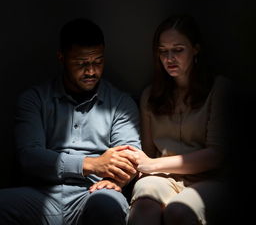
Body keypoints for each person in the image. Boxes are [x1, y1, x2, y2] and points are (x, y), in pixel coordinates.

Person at [0, 18, 141, 225]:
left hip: (94, 192)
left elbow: (129, 157)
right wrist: (91, 164)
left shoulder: (120, 103)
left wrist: (113, 179)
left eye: (98, 62)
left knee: (107, 204)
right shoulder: (34, 99)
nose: (91, 71)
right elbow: (29, 157)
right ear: (62, 57)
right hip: (41, 194)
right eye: (81, 63)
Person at [127, 14, 232, 225]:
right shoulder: (151, 95)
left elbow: (215, 155)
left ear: (195, 49)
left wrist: (152, 165)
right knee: (144, 205)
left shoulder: (218, 89)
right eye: (163, 51)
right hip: (162, 177)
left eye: (178, 50)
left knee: (179, 211)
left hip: (207, 179)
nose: (169, 58)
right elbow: (147, 152)